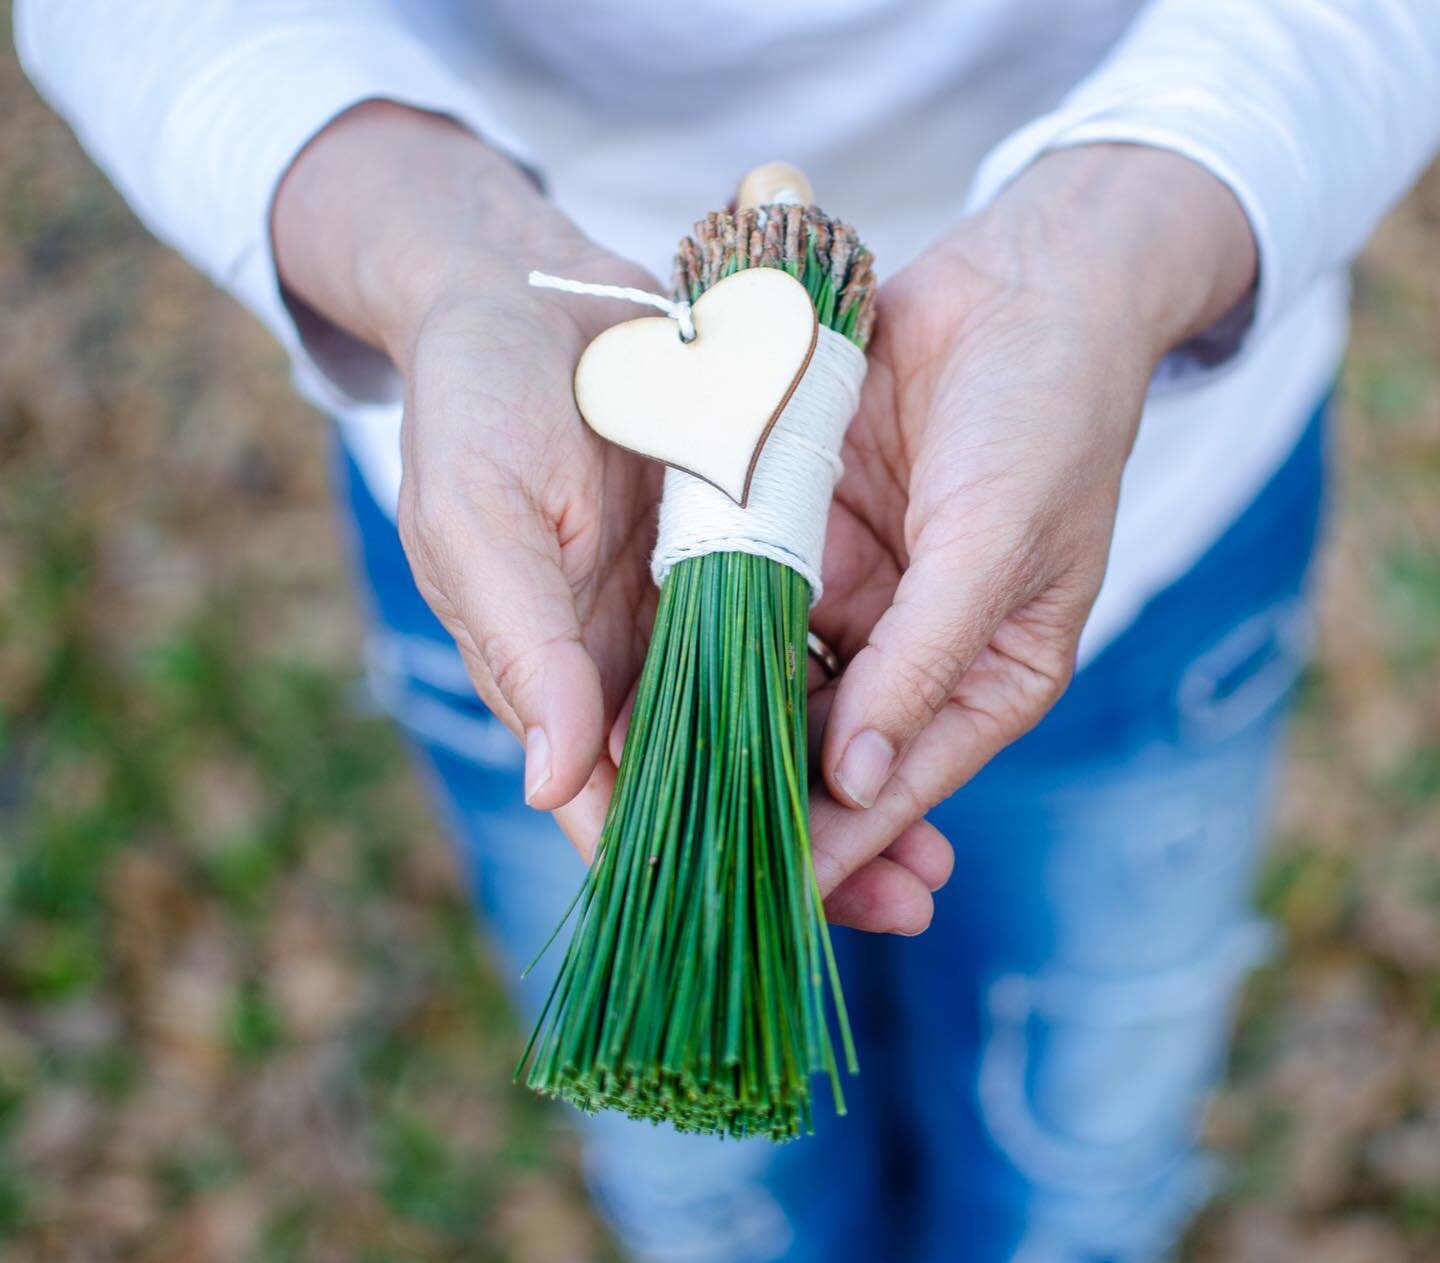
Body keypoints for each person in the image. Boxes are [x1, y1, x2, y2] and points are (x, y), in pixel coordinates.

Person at [17, 3, 1440, 1260]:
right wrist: (440, 254)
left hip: (1156, 495)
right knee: (705, 1166)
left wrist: (1120, 243)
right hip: (553, 551)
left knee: (1083, 1137)